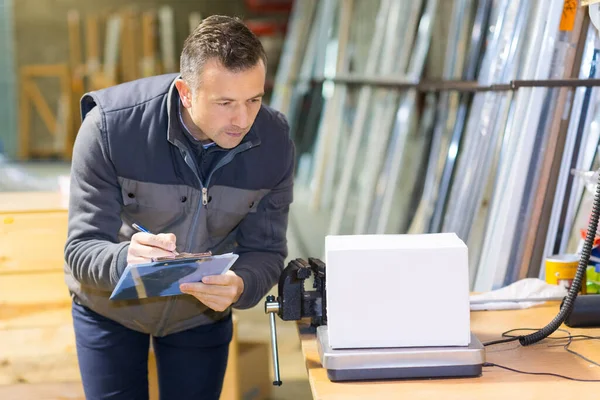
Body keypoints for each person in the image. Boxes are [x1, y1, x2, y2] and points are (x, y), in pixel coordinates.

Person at [64, 15, 295, 400]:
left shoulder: (273, 141)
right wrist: (125, 260)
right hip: (108, 311)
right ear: (186, 93)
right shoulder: (110, 128)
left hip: (199, 315)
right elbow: (80, 250)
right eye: (225, 103)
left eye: (254, 99)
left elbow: (267, 251)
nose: (242, 120)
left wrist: (240, 285)